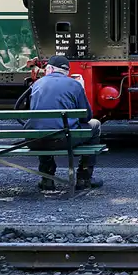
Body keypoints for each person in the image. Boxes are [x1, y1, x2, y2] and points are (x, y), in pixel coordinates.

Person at [25, 55, 103, 190]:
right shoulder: (74, 84)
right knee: (95, 124)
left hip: (35, 140)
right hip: (64, 140)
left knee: (43, 127)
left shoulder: (37, 84)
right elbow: (86, 117)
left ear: (50, 69)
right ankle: (84, 177)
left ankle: (47, 178)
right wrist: (81, 89)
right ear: (66, 72)